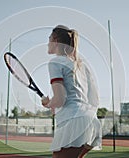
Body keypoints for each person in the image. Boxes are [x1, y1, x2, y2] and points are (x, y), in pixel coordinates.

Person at [41, 25, 102, 158]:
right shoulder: (80, 64)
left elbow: (60, 99)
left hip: (73, 122)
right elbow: (92, 98)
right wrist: (56, 107)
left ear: (56, 41)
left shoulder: (55, 62)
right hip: (91, 121)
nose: (47, 44)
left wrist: (49, 103)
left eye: (49, 39)